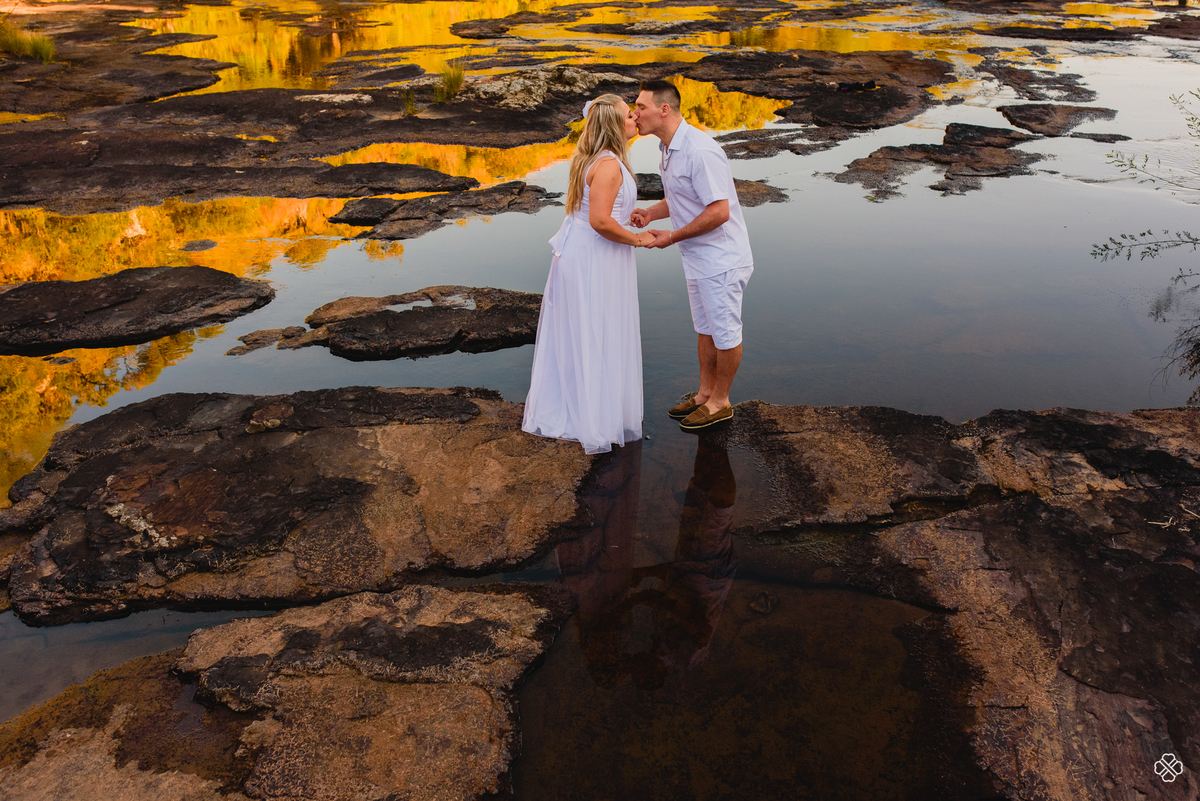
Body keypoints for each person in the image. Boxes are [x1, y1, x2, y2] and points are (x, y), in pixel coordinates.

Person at [523, 94, 655, 454]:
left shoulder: (601, 160)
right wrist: (637, 239)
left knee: (592, 328)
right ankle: (589, 418)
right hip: (592, 256)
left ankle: (589, 408)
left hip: (591, 252)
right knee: (594, 328)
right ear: (614, 125)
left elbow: (604, 212)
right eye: (630, 115)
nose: (636, 118)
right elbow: (599, 220)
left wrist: (634, 216)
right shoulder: (609, 165)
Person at [630, 79, 754, 430]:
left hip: (722, 259)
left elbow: (719, 211)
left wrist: (672, 237)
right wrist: (651, 214)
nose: (634, 113)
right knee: (706, 329)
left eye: (641, 107)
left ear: (664, 110)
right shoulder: (669, 149)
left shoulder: (700, 150)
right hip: (698, 257)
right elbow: (684, 197)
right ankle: (703, 394)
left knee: (725, 332)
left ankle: (721, 402)